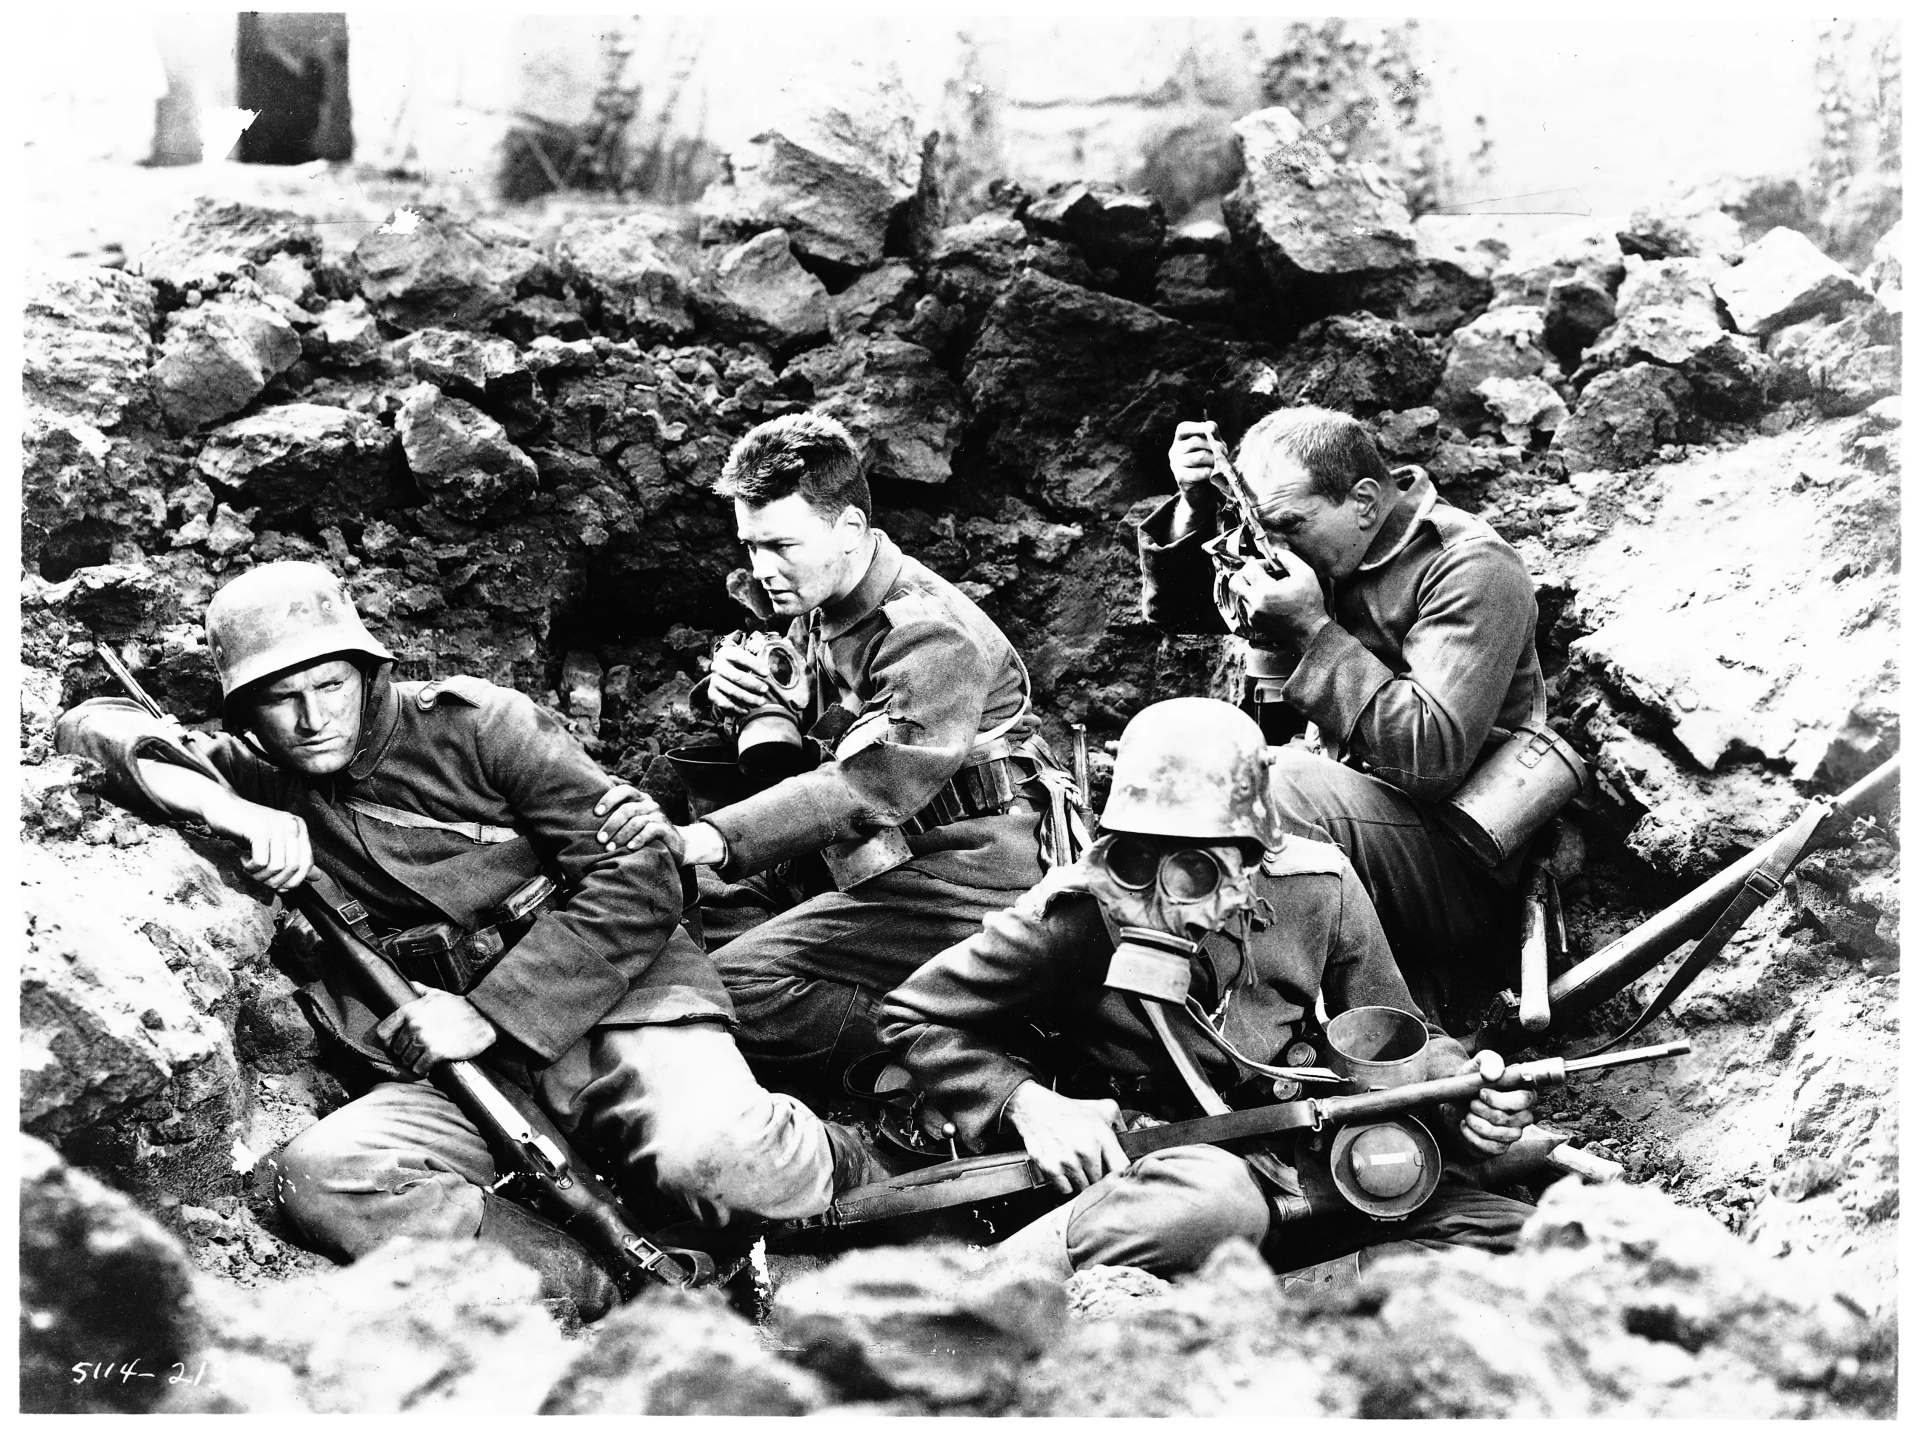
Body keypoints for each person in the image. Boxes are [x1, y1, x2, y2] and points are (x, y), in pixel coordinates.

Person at [56, 561, 888, 1321]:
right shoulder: (261, 774)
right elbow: (91, 724)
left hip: (622, 1010)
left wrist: (494, 1009)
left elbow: (643, 875)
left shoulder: (479, 725)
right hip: (475, 1081)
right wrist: (228, 808)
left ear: (367, 671)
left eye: (330, 684)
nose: (312, 718)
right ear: (247, 711)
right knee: (321, 1174)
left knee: (724, 1158)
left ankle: (854, 1164)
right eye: (282, 699)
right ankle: (603, 1294)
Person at [877, 698, 1538, 1280]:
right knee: (1214, 1203)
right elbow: (911, 1015)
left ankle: (1312, 1297)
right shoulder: (1078, 914)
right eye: (1141, 853)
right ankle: (995, 1289)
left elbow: (1399, 1036)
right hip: (1160, 1177)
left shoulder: (1318, 887)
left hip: (1301, 1161)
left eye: (1201, 861)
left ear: (1253, 851)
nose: (1165, 890)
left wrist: (1467, 1096)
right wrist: (1024, 1103)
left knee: (1524, 1235)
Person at [594, 412, 1070, 1096]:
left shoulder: (931, 634)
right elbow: (810, 720)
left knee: (733, 988)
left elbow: (864, 786)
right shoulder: (825, 593)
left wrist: (705, 837)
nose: (763, 569)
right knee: (675, 908)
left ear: (848, 529)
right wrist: (732, 694)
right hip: (878, 850)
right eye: (751, 546)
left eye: (782, 544)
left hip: (967, 871)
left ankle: (925, 1063)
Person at [1136, 406, 1550, 1004]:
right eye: (1262, 527)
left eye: (1288, 525)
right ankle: (1171, 985)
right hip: (1359, 828)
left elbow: (1430, 761)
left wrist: (1310, 628)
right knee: (1180, 753)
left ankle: (1396, 1029)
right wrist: (1196, 505)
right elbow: (1180, 615)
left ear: (1361, 500)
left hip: (1459, 866)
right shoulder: (1332, 542)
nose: (1275, 551)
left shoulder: (1471, 566)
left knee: (1274, 785)